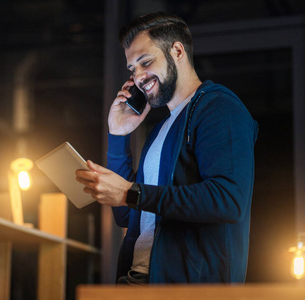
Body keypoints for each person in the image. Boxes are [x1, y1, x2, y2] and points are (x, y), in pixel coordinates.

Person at [76, 11, 258, 284]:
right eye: (132, 69)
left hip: (187, 289)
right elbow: (127, 213)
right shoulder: (161, 129)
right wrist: (118, 135)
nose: (138, 77)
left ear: (177, 50)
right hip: (138, 281)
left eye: (145, 62)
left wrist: (130, 193)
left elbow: (228, 200)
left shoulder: (219, 107)